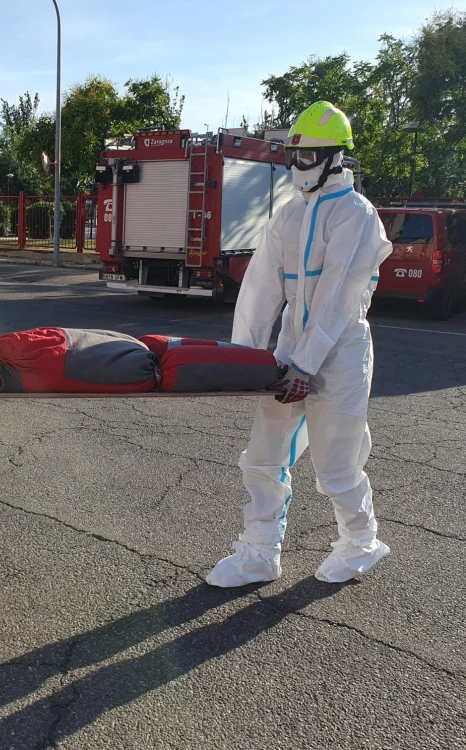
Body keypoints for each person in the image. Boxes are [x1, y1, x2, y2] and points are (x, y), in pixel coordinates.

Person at [207, 102, 392, 587]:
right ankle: (258, 553)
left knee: (337, 466)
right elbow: (261, 289)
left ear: (335, 158)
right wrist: (241, 359)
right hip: (289, 356)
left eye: (306, 158)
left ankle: (360, 542)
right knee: (264, 458)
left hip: (340, 359)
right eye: (293, 156)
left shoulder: (357, 215)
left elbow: (339, 298)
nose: (297, 167)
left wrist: (306, 366)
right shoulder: (289, 214)